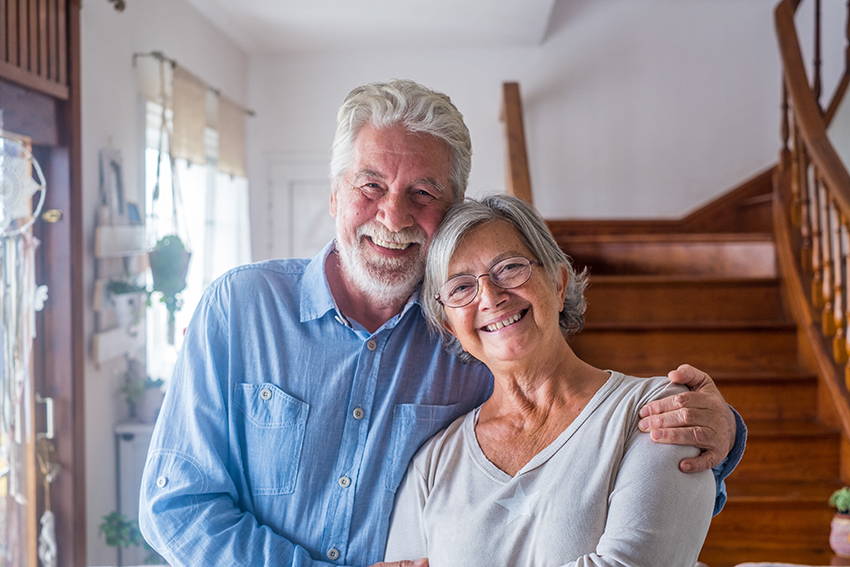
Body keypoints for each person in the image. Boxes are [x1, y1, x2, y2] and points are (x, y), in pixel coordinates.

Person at [139, 79, 745, 567]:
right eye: (370, 185)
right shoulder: (239, 310)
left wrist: (718, 430)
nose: (393, 215)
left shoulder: (469, 335)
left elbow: (572, 419)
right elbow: (176, 505)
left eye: (423, 193)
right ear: (334, 195)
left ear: (452, 212)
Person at [384, 193, 716, 566]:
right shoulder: (434, 463)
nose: (491, 297)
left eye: (509, 268)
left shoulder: (658, 410)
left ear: (558, 284)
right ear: (450, 325)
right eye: (461, 287)